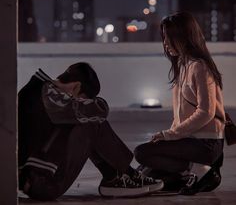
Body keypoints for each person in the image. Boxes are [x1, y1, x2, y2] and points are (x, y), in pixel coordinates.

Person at [18, 62, 163, 201]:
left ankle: (117, 177)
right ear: (76, 87)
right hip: (40, 181)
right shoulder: (48, 94)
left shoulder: (43, 92)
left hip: (36, 177)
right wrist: (95, 104)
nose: (78, 101)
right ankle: (120, 177)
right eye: (82, 99)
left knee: (87, 121)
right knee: (91, 123)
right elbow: (98, 110)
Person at [134, 12, 225, 194]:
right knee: (145, 171)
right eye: (164, 38)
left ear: (184, 38)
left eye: (169, 38)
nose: (166, 44)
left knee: (142, 153)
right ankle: (190, 174)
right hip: (191, 141)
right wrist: (168, 136)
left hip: (206, 144)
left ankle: (199, 170)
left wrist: (170, 135)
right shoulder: (184, 65)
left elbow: (206, 112)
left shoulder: (199, 67)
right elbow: (181, 115)